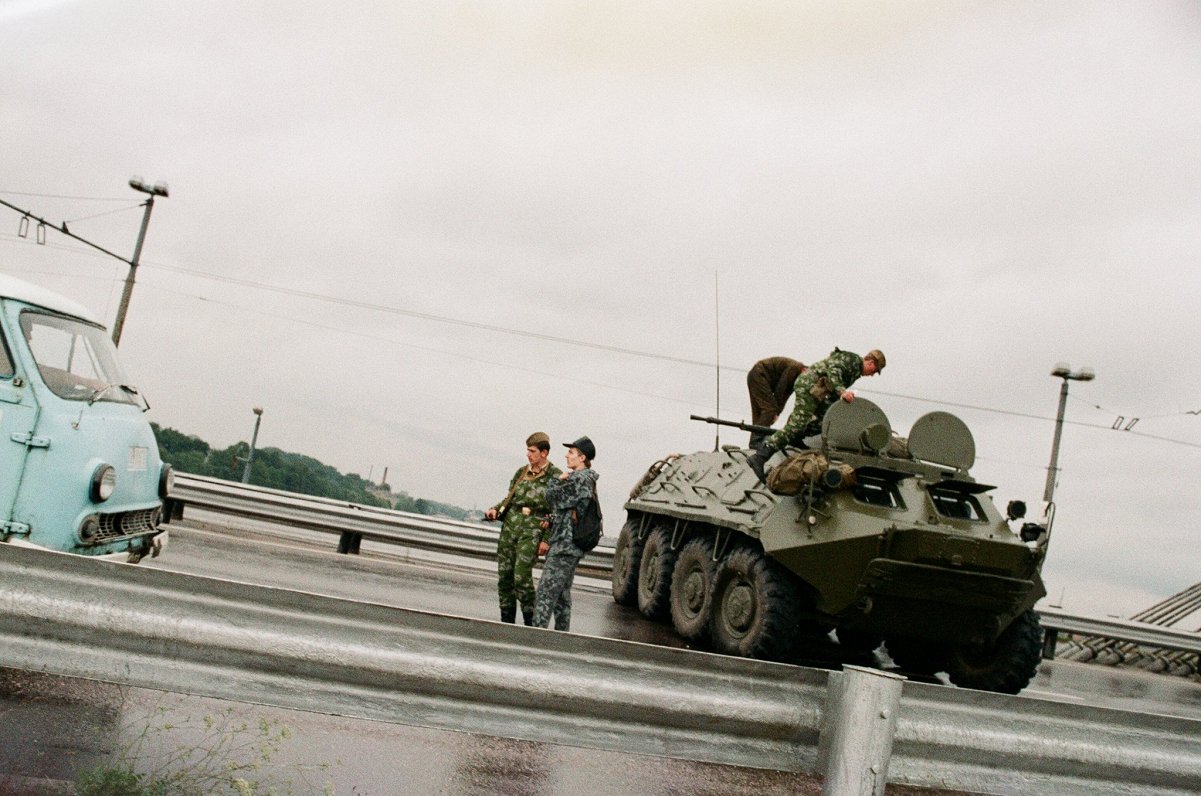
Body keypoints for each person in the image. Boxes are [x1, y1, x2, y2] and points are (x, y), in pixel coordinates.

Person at [746, 348, 886, 481]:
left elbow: (831, 389)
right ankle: (760, 457)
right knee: (797, 425)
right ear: (870, 362)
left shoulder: (855, 372)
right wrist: (842, 391)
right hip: (809, 386)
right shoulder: (851, 360)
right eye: (875, 370)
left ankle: (797, 437)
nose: (873, 374)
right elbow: (833, 371)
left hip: (819, 392)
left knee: (826, 423)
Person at [485, 432, 561, 625]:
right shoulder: (521, 472)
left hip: (532, 530)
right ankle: (507, 623)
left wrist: (546, 538)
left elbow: (557, 512)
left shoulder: (555, 476)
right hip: (511, 527)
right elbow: (510, 498)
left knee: (521, 579)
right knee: (505, 579)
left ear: (544, 453)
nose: (528, 454)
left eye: (532, 451)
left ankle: (531, 624)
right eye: (527, 450)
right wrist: (495, 509)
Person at [532, 436, 599, 632]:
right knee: (561, 595)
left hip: (565, 545)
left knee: (545, 592)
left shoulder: (579, 479)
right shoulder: (585, 480)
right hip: (570, 544)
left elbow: (552, 497)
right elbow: (569, 510)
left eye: (571, 453)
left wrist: (555, 480)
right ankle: (562, 636)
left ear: (582, 457)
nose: (566, 455)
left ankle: (535, 635)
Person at [745, 356, 807, 448]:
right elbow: (781, 388)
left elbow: (786, 394)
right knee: (769, 409)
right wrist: (775, 412)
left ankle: (759, 438)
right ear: (804, 370)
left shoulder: (797, 377)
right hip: (759, 374)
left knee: (761, 412)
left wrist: (778, 412)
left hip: (757, 376)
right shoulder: (795, 368)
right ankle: (756, 440)